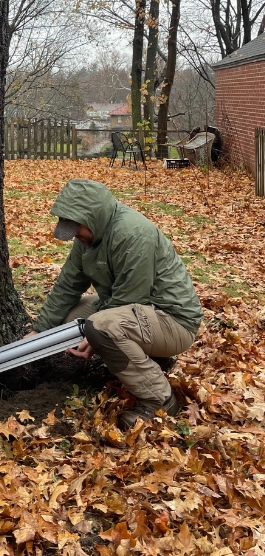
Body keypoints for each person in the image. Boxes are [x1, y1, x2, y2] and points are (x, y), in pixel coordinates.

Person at [33, 178, 203, 429]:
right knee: (71, 318)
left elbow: (132, 296)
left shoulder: (134, 233)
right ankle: (149, 359)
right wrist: (39, 330)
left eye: (76, 227)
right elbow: (68, 285)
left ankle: (160, 400)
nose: (74, 235)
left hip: (173, 321)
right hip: (136, 313)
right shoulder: (87, 239)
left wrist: (95, 336)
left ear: (93, 217)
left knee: (100, 327)